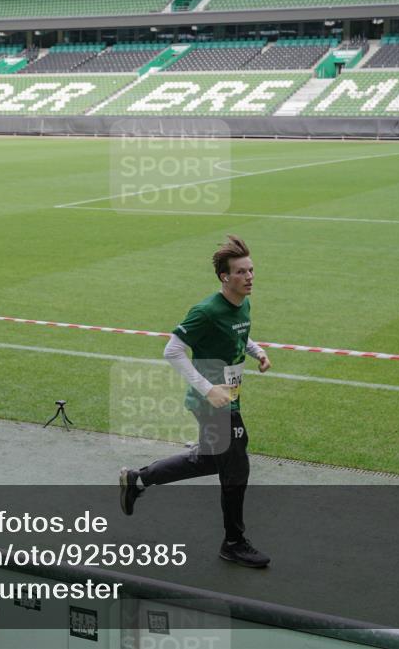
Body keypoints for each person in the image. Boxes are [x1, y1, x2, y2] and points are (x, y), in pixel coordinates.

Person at [119, 235, 272, 568]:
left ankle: (138, 479)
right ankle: (233, 543)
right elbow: (172, 350)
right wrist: (207, 389)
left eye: (251, 270)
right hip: (212, 403)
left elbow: (237, 334)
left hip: (228, 398)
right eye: (241, 272)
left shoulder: (242, 303)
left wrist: (256, 351)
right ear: (224, 277)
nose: (249, 277)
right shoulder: (205, 311)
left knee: (209, 460)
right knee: (236, 466)